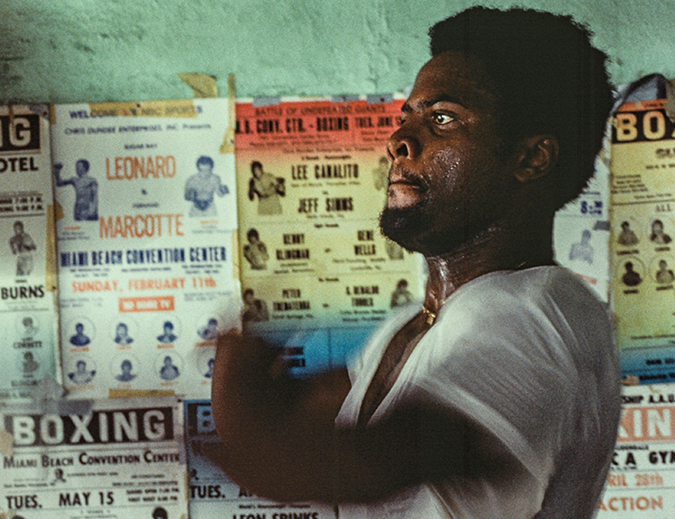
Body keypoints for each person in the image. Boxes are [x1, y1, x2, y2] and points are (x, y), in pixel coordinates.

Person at [209, 8, 618, 518]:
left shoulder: (535, 315)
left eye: (442, 118)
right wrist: (254, 395)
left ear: (530, 159)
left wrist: (235, 401)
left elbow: (352, 463)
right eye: (407, 116)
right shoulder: (419, 320)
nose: (399, 140)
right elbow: (303, 424)